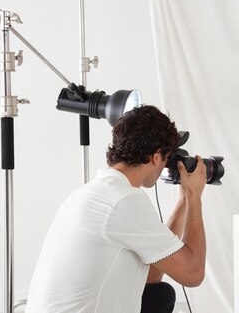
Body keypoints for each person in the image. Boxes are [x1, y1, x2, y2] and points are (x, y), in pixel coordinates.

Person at [25, 105, 207, 313]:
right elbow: (193, 273)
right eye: (166, 159)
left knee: (158, 295)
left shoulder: (95, 192)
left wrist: (183, 199)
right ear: (156, 157)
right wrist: (194, 197)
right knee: (159, 296)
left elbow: (152, 275)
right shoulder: (124, 201)